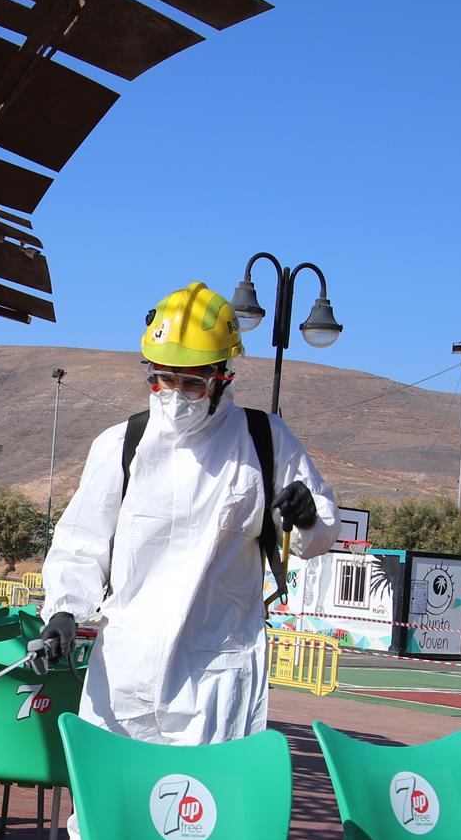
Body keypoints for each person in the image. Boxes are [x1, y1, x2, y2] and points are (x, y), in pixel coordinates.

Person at [31, 281, 338, 745]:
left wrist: (310, 517)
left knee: (204, 811)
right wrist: (63, 612)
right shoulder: (121, 445)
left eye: (192, 383)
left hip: (217, 673)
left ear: (223, 376)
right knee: (109, 808)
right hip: (127, 666)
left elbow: (318, 543)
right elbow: (80, 543)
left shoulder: (265, 442)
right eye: (163, 378)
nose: (175, 394)